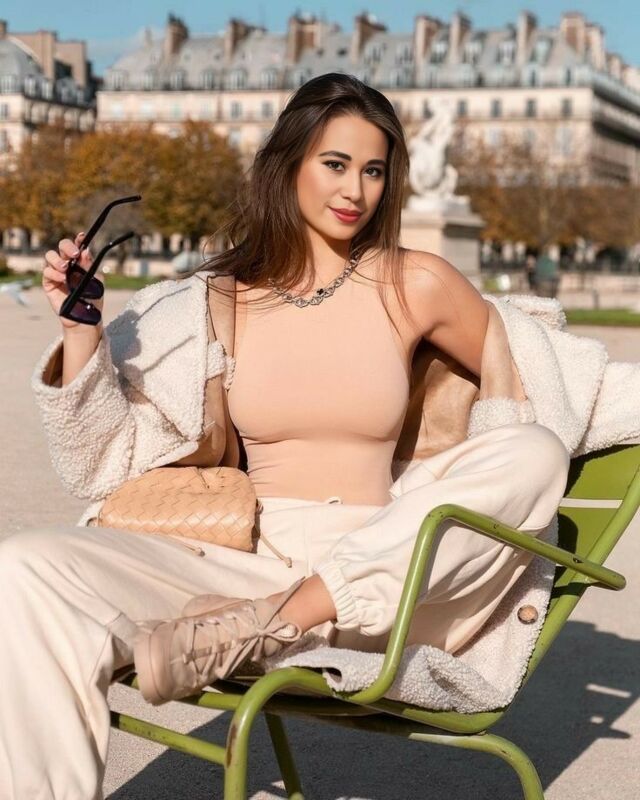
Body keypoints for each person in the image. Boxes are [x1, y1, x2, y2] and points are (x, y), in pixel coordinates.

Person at [0, 73, 570, 798]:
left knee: (534, 451)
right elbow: (102, 459)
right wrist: (81, 328)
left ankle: (272, 624)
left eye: (373, 171)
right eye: (335, 164)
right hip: (243, 568)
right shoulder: (218, 299)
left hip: (380, 576)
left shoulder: (414, 281)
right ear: (289, 163)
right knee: (26, 566)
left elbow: (533, 373)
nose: (355, 190)